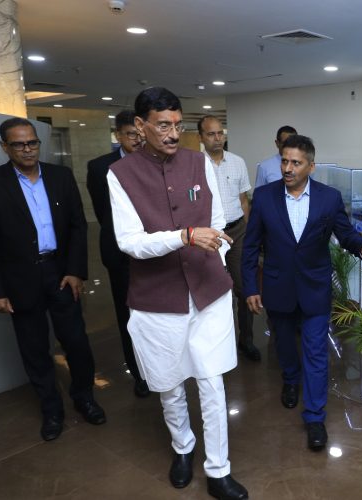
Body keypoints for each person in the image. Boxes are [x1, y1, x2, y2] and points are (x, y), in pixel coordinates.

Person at [107, 87, 247, 500]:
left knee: (212, 382)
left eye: (178, 124)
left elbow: (218, 222)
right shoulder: (121, 174)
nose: (172, 133)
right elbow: (130, 242)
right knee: (169, 384)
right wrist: (183, 236)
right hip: (157, 298)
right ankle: (183, 447)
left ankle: (219, 469)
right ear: (140, 125)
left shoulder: (198, 162)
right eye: (162, 125)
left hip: (209, 292)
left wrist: (217, 257)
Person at [242, 134, 362, 451]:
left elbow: (346, 234)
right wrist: (250, 286)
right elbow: (251, 245)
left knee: (315, 352)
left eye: (296, 163)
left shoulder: (329, 198)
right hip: (278, 286)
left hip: (314, 288)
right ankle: (290, 379)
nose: (288, 168)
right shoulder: (265, 197)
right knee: (284, 345)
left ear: (310, 166)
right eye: (285, 161)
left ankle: (314, 417)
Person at [0, 117, 106, 442]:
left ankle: (84, 398)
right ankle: (52, 410)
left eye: (32, 142)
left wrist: (75, 270)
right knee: (34, 349)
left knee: (76, 342)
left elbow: (77, 226)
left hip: (61, 274)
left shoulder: (60, 176)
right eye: (18, 144)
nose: (27, 149)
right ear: (5, 147)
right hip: (20, 279)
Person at [86, 110, 150, 397]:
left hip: (155, 251)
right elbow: (103, 212)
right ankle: (139, 373)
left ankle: (160, 366)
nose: (137, 140)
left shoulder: (155, 160)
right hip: (120, 254)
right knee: (128, 315)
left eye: (140, 134)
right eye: (130, 134)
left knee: (155, 313)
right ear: (118, 135)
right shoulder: (100, 167)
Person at [198, 116, 260, 362]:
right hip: (209, 235)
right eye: (211, 134)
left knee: (244, 287)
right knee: (214, 290)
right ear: (201, 137)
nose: (217, 138)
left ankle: (246, 340)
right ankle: (216, 343)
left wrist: (248, 229)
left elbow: (244, 200)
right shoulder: (194, 165)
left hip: (237, 232)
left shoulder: (237, 162)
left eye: (220, 133)